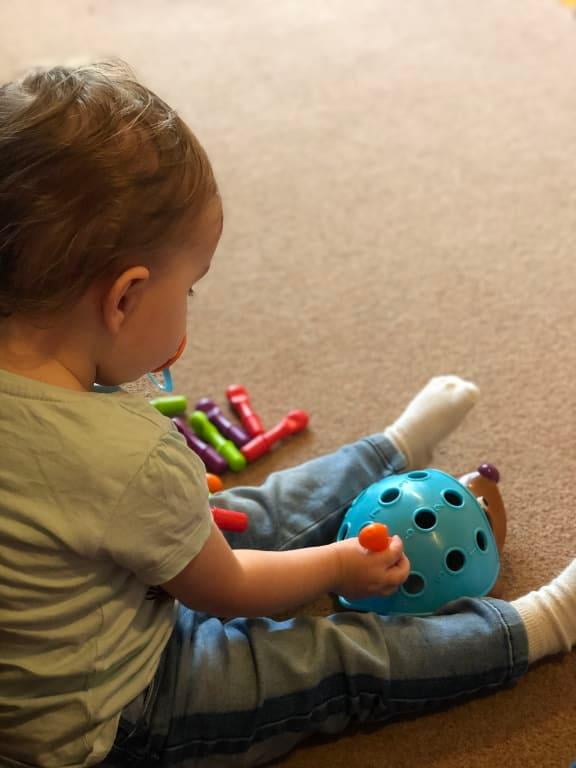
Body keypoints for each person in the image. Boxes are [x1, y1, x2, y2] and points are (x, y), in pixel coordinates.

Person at [0, 62, 574, 768]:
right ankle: (539, 623)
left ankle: (392, 448)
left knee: (241, 514)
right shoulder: (126, 454)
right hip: (121, 711)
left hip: (95, 600)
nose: (189, 312)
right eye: (191, 290)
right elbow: (229, 590)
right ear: (124, 299)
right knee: (330, 657)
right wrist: (339, 566)